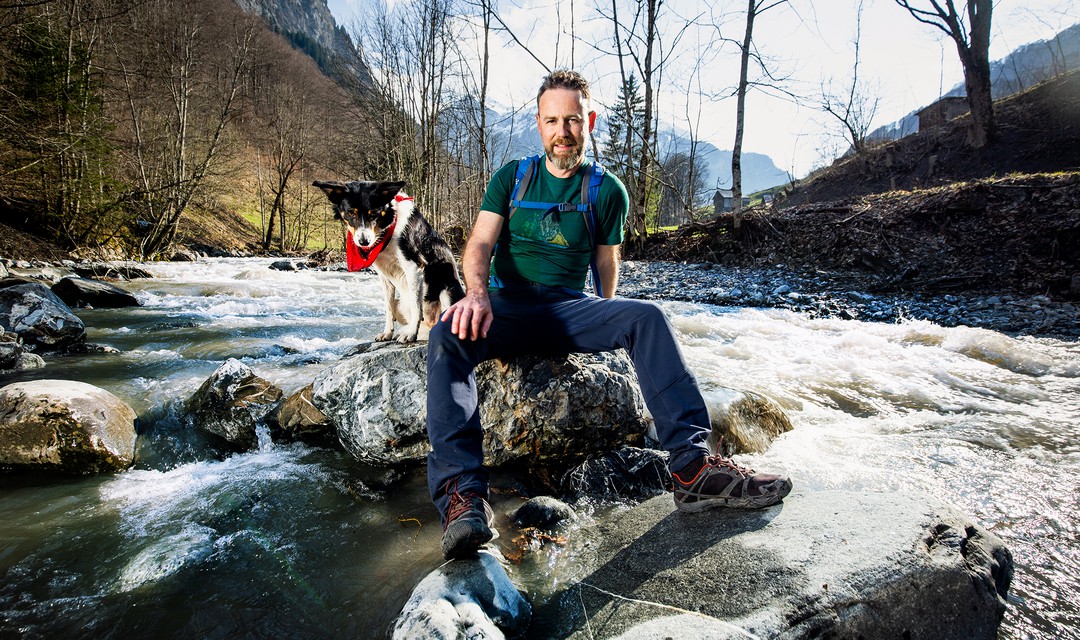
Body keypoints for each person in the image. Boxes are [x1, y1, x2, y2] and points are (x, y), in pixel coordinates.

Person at [426, 70, 792, 560]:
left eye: (573, 120)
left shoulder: (607, 190)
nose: (563, 132)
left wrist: (607, 311)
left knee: (647, 318)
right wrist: (475, 295)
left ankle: (693, 469)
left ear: (589, 121)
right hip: (507, 305)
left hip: (567, 307)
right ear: (539, 124)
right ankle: (463, 499)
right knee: (447, 334)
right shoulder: (510, 177)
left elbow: (605, 260)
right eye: (553, 121)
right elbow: (480, 244)